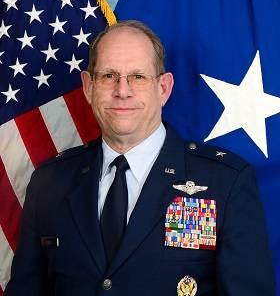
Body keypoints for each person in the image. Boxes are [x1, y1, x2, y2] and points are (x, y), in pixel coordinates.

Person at [5, 20, 275, 295]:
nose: (122, 91)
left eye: (138, 76)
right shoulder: (51, 182)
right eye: (109, 76)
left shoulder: (225, 183)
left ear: (163, 88)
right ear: (88, 87)